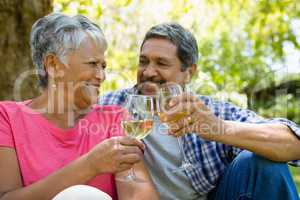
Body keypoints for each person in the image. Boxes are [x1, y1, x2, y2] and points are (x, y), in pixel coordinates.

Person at [99, 22, 300, 200]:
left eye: (162, 63)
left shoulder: (208, 111)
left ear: (189, 72)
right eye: (143, 61)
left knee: (263, 163)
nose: (148, 72)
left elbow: (294, 144)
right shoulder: (110, 105)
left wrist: (218, 128)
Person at [0, 13, 159, 200]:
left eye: (103, 66)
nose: (101, 76)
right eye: (92, 64)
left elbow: (137, 193)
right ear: (53, 65)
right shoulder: (7, 117)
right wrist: (90, 165)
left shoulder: (115, 119)